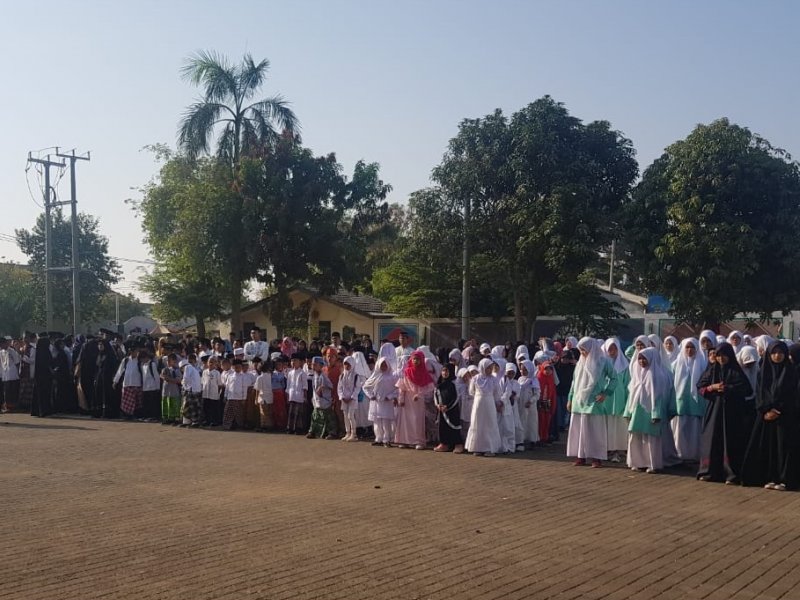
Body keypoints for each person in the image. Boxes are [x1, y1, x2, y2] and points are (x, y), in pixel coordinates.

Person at [741, 341, 799, 491]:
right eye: (774, 352)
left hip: (785, 417)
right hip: (766, 417)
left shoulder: (791, 372)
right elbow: (760, 393)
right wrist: (765, 410)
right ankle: (770, 477)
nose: (777, 355)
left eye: (780, 352)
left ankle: (783, 479)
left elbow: (793, 395)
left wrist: (778, 410)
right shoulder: (764, 371)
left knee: (783, 448)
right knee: (769, 447)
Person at [696, 342, 752, 484]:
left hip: (732, 414)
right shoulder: (712, 370)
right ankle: (709, 472)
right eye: (718, 355)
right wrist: (712, 387)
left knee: (731, 441)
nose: (721, 358)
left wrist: (729, 388)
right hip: (714, 412)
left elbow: (747, 390)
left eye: (724, 356)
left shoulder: (736, 371)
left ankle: (731, 475)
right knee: (712, 440)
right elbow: (700, 388)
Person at [566, 337, 617, 468]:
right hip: (579, 401)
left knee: (595, 431)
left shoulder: (603, 362)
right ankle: (580, 456)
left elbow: (614, 378)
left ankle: (596, 458)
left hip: (594, 401)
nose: (583, 353)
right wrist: (570, 398)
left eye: (584, 350)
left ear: (592, 348)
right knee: (579, 430)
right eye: (581, 350)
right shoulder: (580, 363)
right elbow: (574, 382)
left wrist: (605, 393)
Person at [625, 347, 672, 473]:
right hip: (636, 411)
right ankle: (637, 462)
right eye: (639, 358)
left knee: (651, 439)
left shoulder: (658, 376)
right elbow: (631, 395)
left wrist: (656, 414)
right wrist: (627, 412)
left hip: (651, 412)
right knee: (636, 437)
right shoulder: (637, 374)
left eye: (644, 359)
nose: (641, 361)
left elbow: (659, 397)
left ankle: (652, 464)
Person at [671, 338, 707, 462]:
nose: (689, 350)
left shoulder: (703, 364)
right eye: (687, 347)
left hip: (697, 403)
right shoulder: (676, 364)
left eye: (692, 347)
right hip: (680, 401)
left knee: (695, 429)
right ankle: (679, 454)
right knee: (680, 429)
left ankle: (694, 455)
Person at [394, 350, 434, 450]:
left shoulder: (424, 373)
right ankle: (404, 440)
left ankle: (418, 441)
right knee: (405, 420)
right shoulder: (407, 372)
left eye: (418, 359)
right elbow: (402, 387)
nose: (416, 361)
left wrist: (419, 395)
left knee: (417, 420)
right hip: (407, 400)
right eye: (414, 359)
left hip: (418, 401)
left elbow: (429, 387)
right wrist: (401, 398)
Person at [465, 358, 502, 457]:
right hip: (478, 404)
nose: (490, 370)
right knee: (478, 423)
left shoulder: (494, 379)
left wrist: (498, 402)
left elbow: (497, 393)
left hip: (489, 403)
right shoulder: (476, 378)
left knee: (489, 423)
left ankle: (489, 448)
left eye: (491, 368)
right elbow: (471, 391)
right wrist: (479, 396)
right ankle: (477, 447)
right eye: (488, 368)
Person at [602, 338, 630, 463]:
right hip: (605, 400)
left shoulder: (625, 365)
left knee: (619, 426)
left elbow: (627, 384)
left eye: (614, 349)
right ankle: (607, 450)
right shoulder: (602, 364)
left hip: (620, 400)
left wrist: (627, 401)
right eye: (609, 349)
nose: (612, 351)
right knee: (606, 425)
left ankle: (619, 451)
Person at [363, 357, 397, 447]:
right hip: (376, 403)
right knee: (377, 422)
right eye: (382, 365)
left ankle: (387, 440)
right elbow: (365, 387)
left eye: (385, 365)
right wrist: (371, 395)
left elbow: (397, 390)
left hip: (386, 403)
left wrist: (389, 397)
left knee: (386, 422)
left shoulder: (392, 377)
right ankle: (379, 439)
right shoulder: (375, 376)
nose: (383, 367)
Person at [433, 364, 464, 453]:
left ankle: (458, 444)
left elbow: (456, 397)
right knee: (442, 427)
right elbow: (435, 395)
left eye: (447, 371)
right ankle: (444, 444)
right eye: (443, 370)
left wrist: (448, 406)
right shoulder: (439, 383)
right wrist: (438, 405)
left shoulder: (454, 383)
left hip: (452, 410)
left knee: (454, 427)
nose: (445, 373)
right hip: (441, 411)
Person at [307, 356, 336, 439]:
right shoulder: (314, 376)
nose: (313, 366)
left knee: (329, 418)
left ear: (321, 366)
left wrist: (322, 387)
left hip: (325, 400)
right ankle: (312, 432)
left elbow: (331, 386)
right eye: (313, 365)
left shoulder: (324, 376)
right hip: (317, 400)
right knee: (315, 417)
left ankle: (332, 433)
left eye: (315, 365)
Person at [338, 356, 363, 442]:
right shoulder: (342, 375)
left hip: (352, 399)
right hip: (344, 399)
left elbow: (357, 388)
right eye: (345, 364)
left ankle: (354, 434)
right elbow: (339, 387)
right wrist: (342, 396)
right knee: (345, 416)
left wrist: (352, 397)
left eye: (348, 364)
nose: (346, 366)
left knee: (350, 415)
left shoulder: (356, 376)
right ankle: (347, 433)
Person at [516, 359, 540, 449]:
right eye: (521, 369)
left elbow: (537, 394)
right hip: (521, 404)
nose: (523, 371)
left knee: (531, 423)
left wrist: (531, 401)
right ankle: (521, 439)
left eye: (525, 370)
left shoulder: (533, 380)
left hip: (530, 405)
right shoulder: (520, 379)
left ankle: (532, 440)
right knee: (522, 422)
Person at [114, 345, 143, 419]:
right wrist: (115, 381)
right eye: (136, 351)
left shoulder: (139, 361)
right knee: (126, 403)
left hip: (137, 384)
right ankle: (127, 415)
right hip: (127, 384)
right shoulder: (125, 360)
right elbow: (119, 371)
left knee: (135, 402)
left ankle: (135, 415)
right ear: (132, 352)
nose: (137, 353)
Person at [222, 359, 248, 430]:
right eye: (236, 367)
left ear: (241, 367)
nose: (237, 369)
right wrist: (225, 396)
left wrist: (244, 398)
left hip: (239, 398)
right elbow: (227, 387)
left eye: (239, 367)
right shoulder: (230, 376)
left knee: (239, 413)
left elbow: (244, 388)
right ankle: (226, 425)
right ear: (233, 367)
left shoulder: (243, 377)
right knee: (228, 412)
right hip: (230, 397)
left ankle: (240, 425)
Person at [31, 335, 52, 417]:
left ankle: (37, 411)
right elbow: (49, 362)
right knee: (45, 393)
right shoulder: (46, 352)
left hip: (38, 376)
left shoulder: (38, 351)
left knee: (38, 394)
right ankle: (44, 410)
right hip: (46, 376)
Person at [286, 353, 307, 435]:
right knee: (291, 413)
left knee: (299, 413)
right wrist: (287, 396)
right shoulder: (290, 373)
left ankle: (298, 428)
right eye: (292, 361)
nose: (293, 362)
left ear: (300, 362)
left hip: (299, 396)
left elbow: (305, 387)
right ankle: (290, 427)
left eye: (295, 360)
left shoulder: (302, 373)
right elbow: (288, 386)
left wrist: (305, 397)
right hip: (291, 395)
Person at [537, 361, 556, 445]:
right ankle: (539, 437)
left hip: (547, 402)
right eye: (546, 369)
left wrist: (553, 405)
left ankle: (545, 437)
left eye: (549, 369)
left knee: (546, 420)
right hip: (540, 401)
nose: (547, 371)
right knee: (540, 420)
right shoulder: (539, 378)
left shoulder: (551, 378)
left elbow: (553, 393)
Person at [180, 358, 203, 427]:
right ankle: (187, 422)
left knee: (191, 407)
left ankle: (194, 422)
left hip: (191, 391)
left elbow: (185, 379)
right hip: (196, 390)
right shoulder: (193, 369)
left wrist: (183, 384)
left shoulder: (187, 367)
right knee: (192, 407)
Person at [201, 356, 223, 426]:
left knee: (214, 408)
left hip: (214, 394)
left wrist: (218, 393)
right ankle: (207, 420)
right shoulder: (204, 372)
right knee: (206, 408)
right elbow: (202, 382)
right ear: (207, 363)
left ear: (216, 363)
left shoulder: (217, 373)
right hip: (206, 393)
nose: (211, 364)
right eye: (209, 362)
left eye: (213, 362)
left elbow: (219, 384)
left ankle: (214, 421)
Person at [0, 336, 21, 412]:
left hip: (13, 375)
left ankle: (12, 407)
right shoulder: (1, 352)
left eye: (2, 344)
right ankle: (7, 406)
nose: (1, 346)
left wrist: (18, 373)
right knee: (6, 392)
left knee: (12, 392)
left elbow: (17, 362)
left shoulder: (12, 351)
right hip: (5, 374)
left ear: (6, 343)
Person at [160, 354, 182, 425]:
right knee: (166, 403)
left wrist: (169, 379)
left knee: (174, 404)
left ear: (175, 361)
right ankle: (166, 418)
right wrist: (163, 377)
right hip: (166, 390)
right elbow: (161, 376)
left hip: (174, 390)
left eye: (170, 360)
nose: (168, 362)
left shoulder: (177, 370)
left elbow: (179, 380)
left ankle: (174, 419)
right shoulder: (165, 369)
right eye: (167, 361)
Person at [254, 361, 274, 432]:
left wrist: (256, 399)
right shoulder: (270, 376)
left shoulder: (260, 378)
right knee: (269, 413)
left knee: (263, 413)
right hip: (270, 397)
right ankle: (270, 426)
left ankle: (264, 427)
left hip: (263, 398)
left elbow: (258, 389)